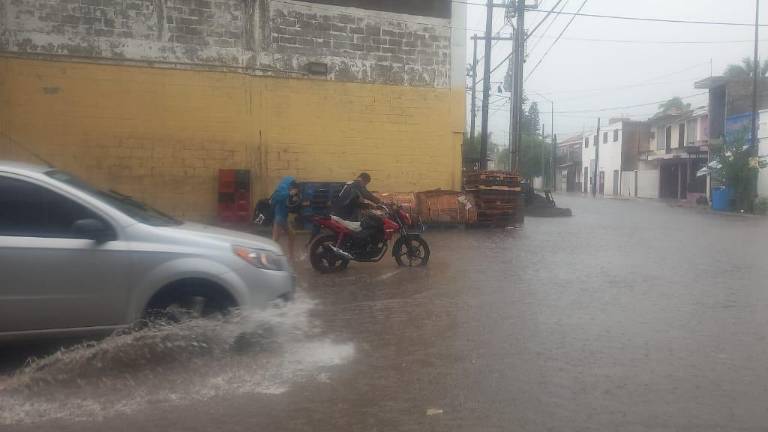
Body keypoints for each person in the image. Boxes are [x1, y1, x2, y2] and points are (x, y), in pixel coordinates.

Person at [270, 176, 299, 259]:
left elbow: (290, 204)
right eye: (292, 183)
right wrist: (289, 194)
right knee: (275, 239)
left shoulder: (287, 190)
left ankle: (291, 256)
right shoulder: (282, 190)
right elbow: (275, 199)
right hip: (279, 217)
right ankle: (270, 256)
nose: (292, 185)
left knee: (291, 235)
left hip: (283, 218)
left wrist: (294, 197)